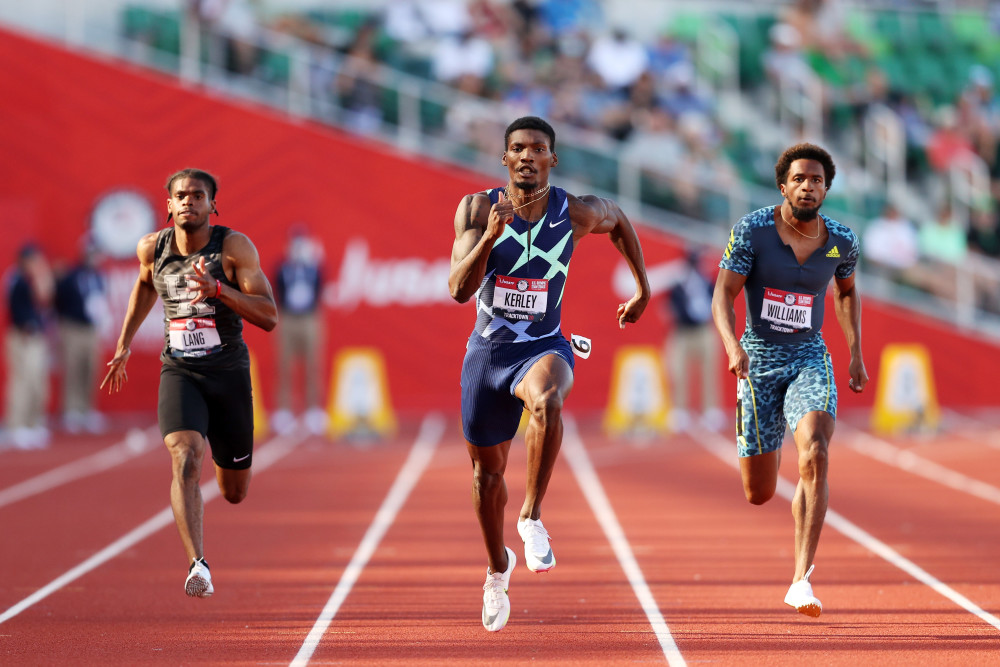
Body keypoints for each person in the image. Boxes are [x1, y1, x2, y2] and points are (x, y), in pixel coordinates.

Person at [448, 116, 650, 632]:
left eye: (538, 149)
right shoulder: (477, 209)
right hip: (488, 355)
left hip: (544, 344)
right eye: (517, 148)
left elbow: (620, 218)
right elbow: (457, 288)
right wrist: (488, 238)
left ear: (551, 159)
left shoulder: (574, 212)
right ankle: (497, 568)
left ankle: (532, 517)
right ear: (505, 158)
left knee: (548, 401)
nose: (527, 156)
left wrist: (642, 287)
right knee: (486, 478)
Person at [101, 168, 277, 598]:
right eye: (180, 196)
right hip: (180, 370)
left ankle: (226, 466)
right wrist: (124, 343)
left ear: (212, 205)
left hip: (229, 373)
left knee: (233, 491)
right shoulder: (152, 247)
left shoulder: (233, 247)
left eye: (198, 196)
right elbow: (144, 286)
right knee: (185, 453)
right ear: (168, 205)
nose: (188, 202)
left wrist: (219, 291)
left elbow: (269, 315)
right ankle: (198, 564)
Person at [711, 143, 868, 617]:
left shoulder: (840, 240)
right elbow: (723, 295)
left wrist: (855, 351)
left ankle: (801, 578)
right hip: (756, 359)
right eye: (799, 178)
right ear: (784, 185)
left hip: (808, 356)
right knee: (758, 492)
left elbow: (847, 292)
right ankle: (777, 459)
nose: (808, 186)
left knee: (816, 449)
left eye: (816, 180)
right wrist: (732, 345)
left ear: (826, 188)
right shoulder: (753, 232)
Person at [271, 226, 326, 436]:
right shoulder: (282, 268)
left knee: (313, 364)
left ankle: (313, 410)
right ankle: (284, 410)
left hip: (310, 319)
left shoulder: (315, 268)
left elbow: (319, 290)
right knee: (284, 365)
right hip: (288, 319)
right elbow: (277, 291)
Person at [663, 246, 722, 432]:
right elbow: (670, 306)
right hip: (682, 332)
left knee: (709, 371)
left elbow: (716, 302)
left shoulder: (707, 282)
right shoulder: (678, 285)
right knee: (678, 372)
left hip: (704, 331)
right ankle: (680, 410)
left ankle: (710, 410)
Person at [55, 238, 109, 434]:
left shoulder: (99, 277)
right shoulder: (71, 276)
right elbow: (59, 301)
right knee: (73, 368)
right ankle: (71, 410)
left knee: (91, 369)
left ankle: (87, 409)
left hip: (91, 329)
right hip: (73, 328)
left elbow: (100, 300)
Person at [4, 243, 55, 450]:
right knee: (22, 381)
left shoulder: (29, 278)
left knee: (37, 381)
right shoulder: (15, 279)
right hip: (22, 337)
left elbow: (46, 297)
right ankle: (16, 426)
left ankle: (33, 423)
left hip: (35, 336)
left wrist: (42, 274)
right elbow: (17, 309)